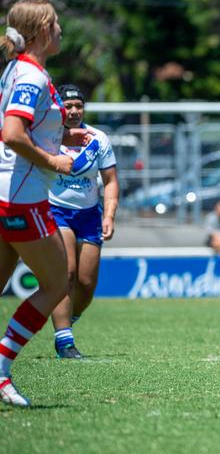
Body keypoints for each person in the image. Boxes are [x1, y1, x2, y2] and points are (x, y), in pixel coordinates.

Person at [0, 0, 88, 406]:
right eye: (55, 25)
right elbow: (14, 134)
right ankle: (1, 370)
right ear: (39, 32)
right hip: (21, 199)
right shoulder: (31, 77)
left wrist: (60, 138)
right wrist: (55, 159)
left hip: (10, 194)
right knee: (57, 282)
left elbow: (28, 127)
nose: (61, 32)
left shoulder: (22, 70)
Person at [48, 84, 119, 359]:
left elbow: (111, 182)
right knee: (66, 272)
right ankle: (64, 340)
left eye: (79, 106)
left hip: (90, 215)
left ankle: (66, 320)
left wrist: (109, 215)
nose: (74, 111)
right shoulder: (48, 137)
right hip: (56, 211)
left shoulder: (98, 138)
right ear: (59, 109)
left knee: (87, 283)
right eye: (68, 106)